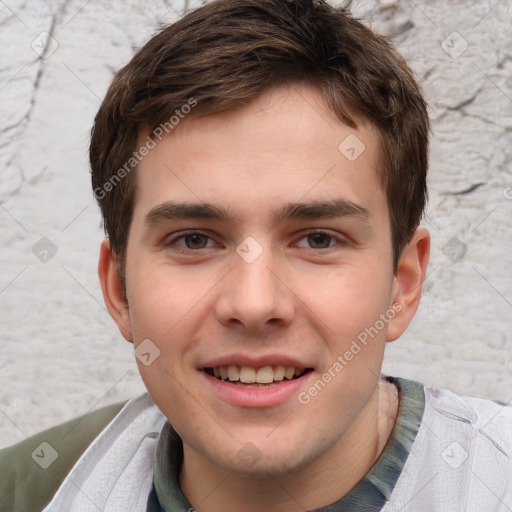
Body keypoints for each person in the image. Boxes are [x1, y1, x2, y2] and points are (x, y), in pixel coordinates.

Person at [1, 0, 511, 510]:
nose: (254, 303)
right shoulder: (28, 492)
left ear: (402, 285)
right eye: (194, 240)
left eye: (318, 239)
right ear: (119, 290)